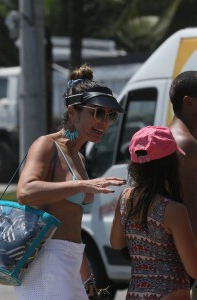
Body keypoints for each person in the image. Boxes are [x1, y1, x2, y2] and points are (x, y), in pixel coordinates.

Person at [14, 64, 126, 300]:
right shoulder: (47, 145)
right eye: (97, 113)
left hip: (71, 260)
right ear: (73, 112)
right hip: (46, 262)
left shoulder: (79, 158)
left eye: (110, 115)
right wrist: (81, 186)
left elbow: (72, 226)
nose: (104, 122)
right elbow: (25, 191)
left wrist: (87, 280)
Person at [110, 125, 197, 299]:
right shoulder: (174, 210)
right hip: (171, 294)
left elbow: (116, 243)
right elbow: (194, 269)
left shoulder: (125, 198)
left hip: (136, 294)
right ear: (169, 164)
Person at [169, 70, 197, 299]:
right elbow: (192, 208)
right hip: (189, 260)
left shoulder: (168, 137)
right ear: (188, 101)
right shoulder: (186, 144)